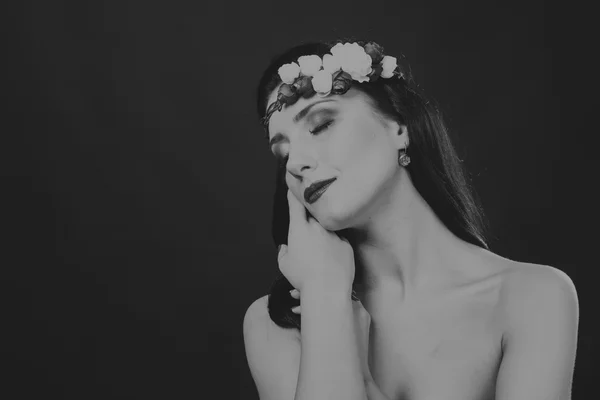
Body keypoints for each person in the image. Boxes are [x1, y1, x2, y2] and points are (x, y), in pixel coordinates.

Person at [243, 38, 579, 400]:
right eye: (283, 153)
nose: (295, 163)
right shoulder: (275, 323)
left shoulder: (532, 297)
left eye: (321, 124)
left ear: (398, 126)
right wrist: (325, 296)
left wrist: (364, 383)